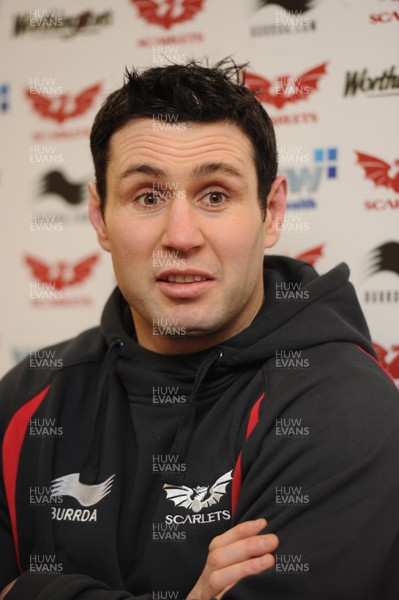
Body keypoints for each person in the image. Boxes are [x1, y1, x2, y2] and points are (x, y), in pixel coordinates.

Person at [0, 58, 398, 600]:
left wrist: (30, 592)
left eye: (215, 195)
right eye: (147, 197)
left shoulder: (345, 407)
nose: (181, 235)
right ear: (99, 217)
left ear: (273, 211)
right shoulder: (27, 397)